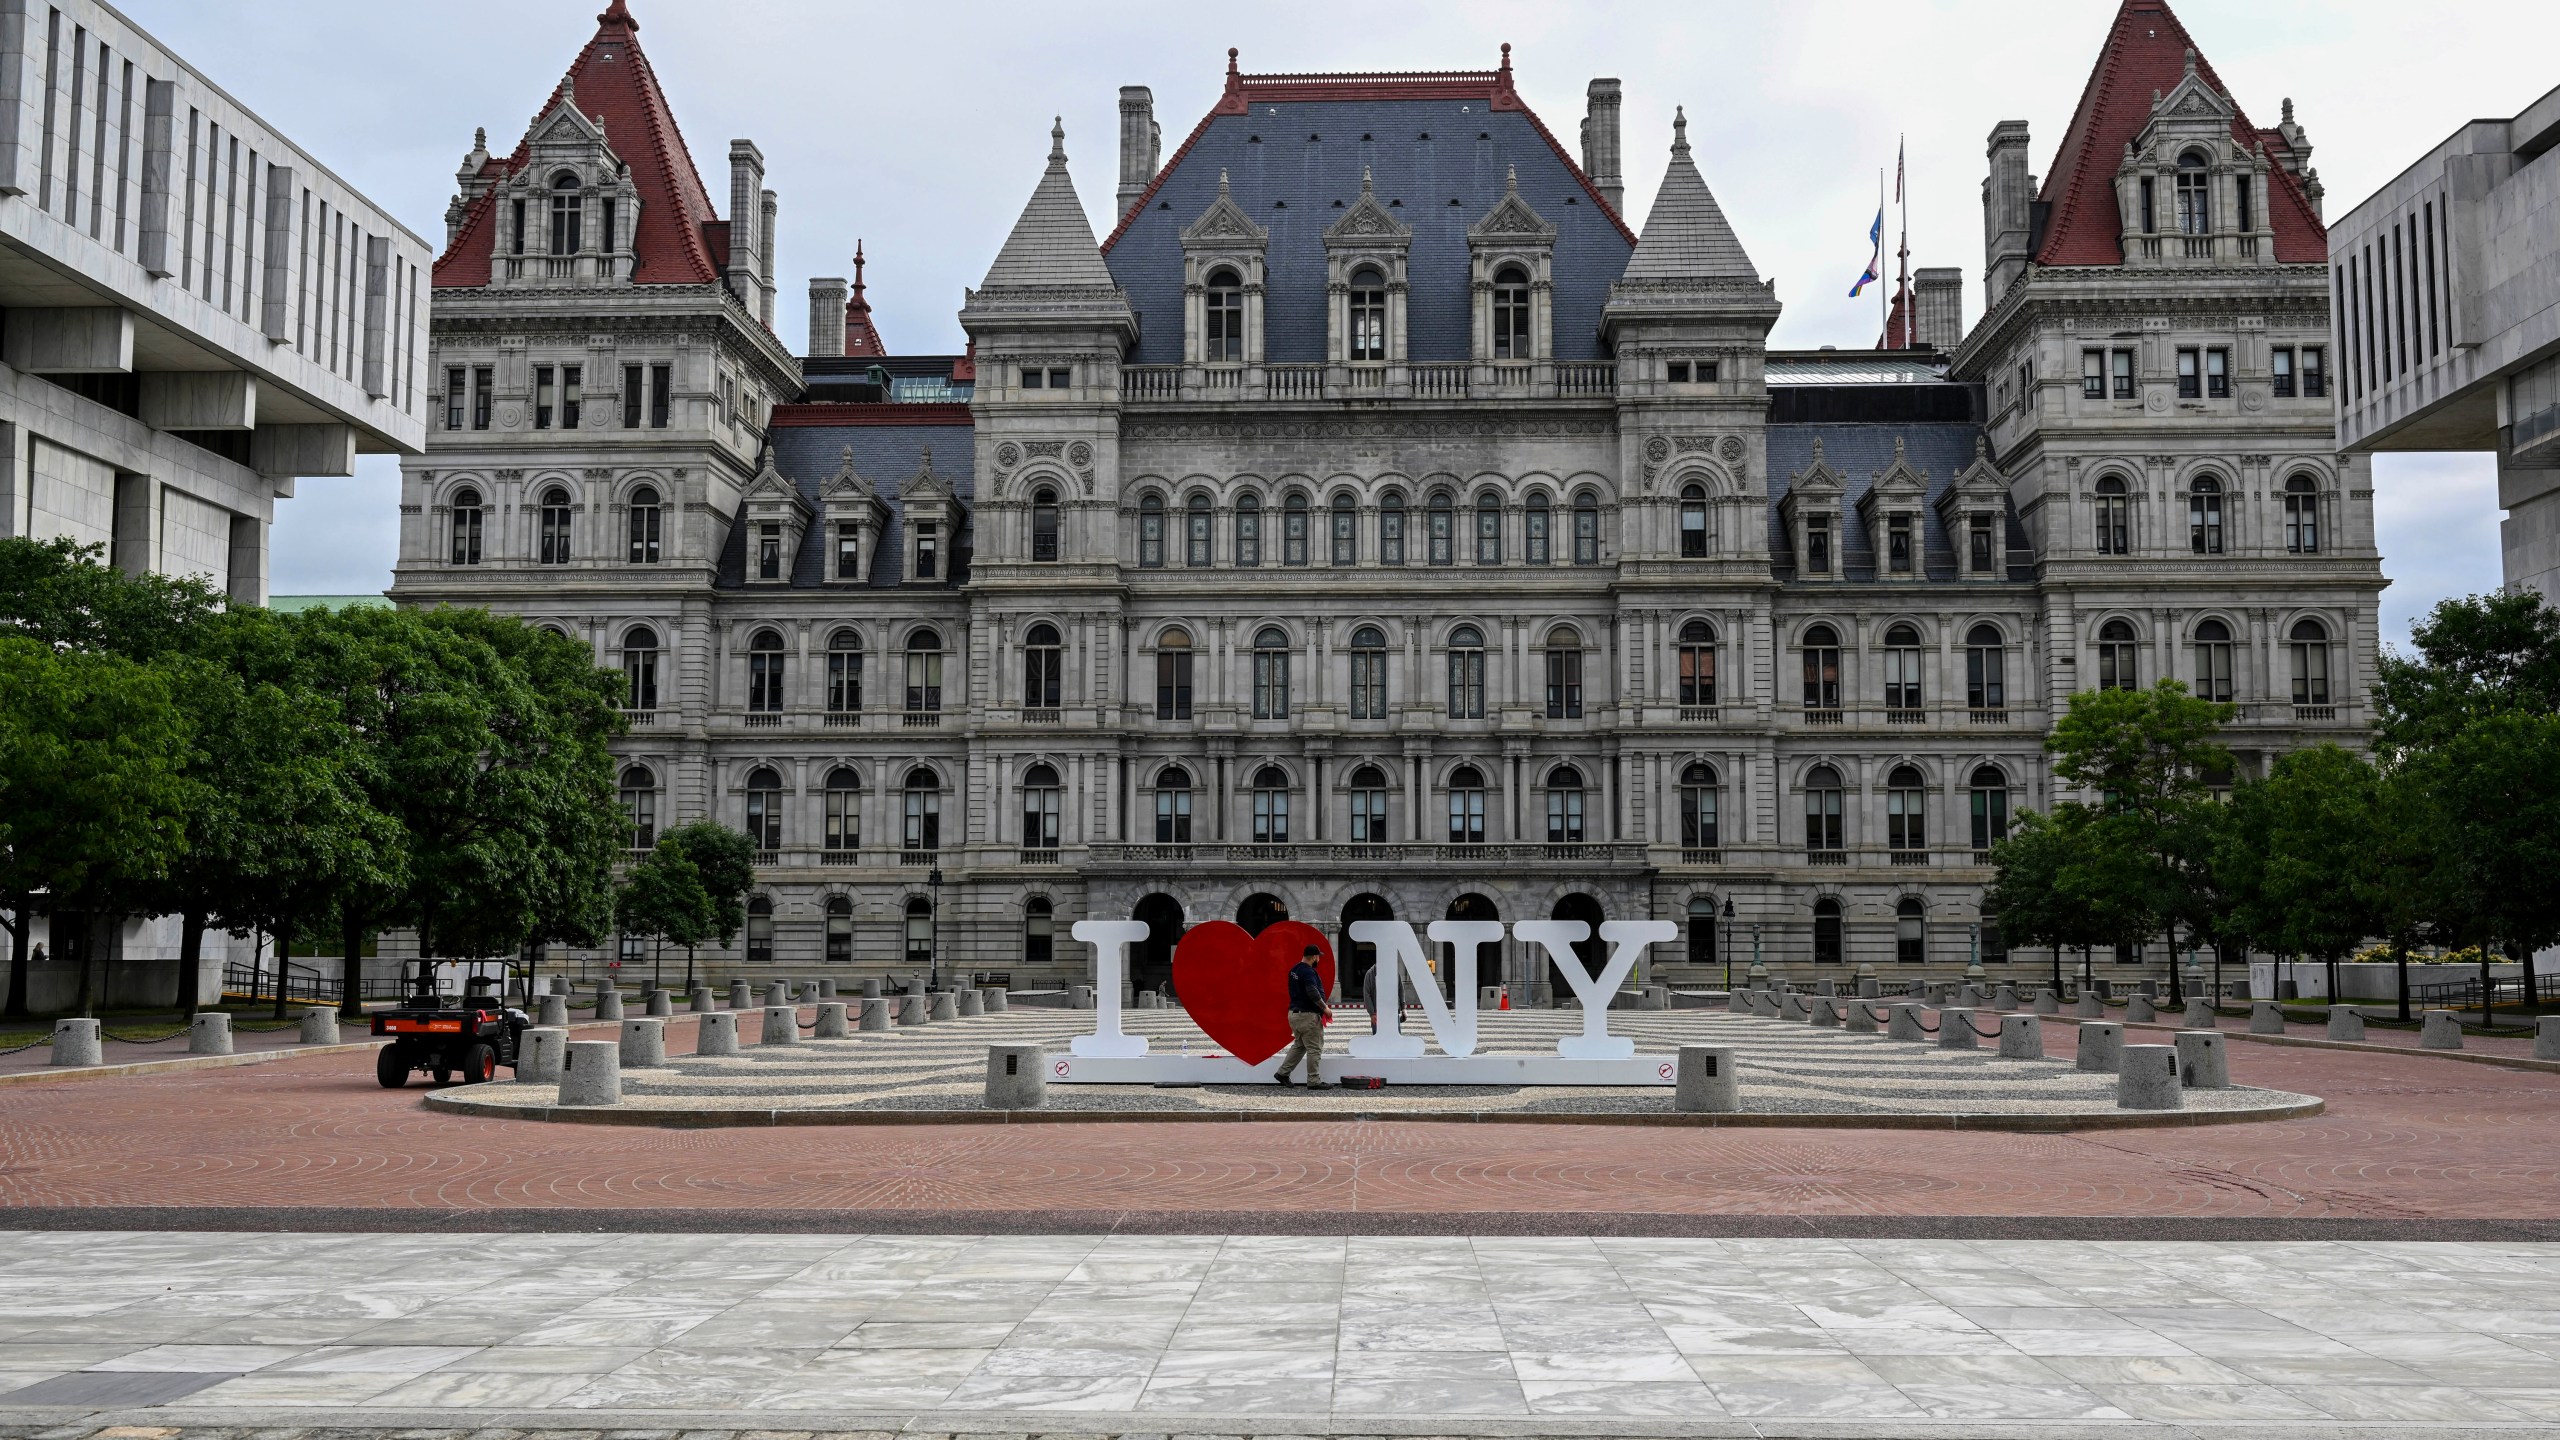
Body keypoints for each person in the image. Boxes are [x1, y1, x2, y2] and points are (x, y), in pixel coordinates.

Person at [1273, 944, 1330, 1087]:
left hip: (1294, 1014)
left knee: (1300, 1045)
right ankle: (1314, 1081)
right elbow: (1312, 991)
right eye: (1318, 957)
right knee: (1314, 1048)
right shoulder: (1309, 972)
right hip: (1307, 1016)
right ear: (1315, 957)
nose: (1319, 960)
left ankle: (1282, 1073)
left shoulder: (1294, 970)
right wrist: (1325, 1008)